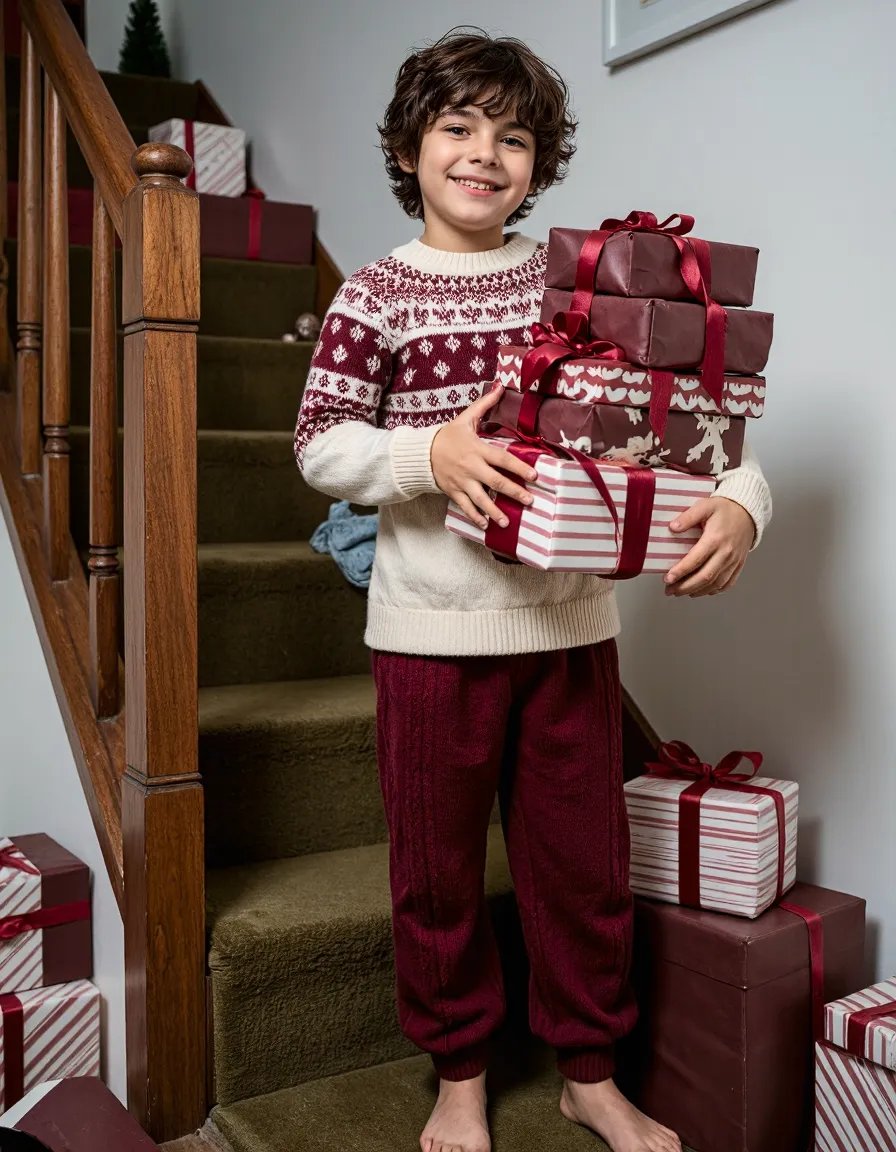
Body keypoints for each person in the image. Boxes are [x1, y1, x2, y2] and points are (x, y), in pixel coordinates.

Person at [294, 27, 771, 1152]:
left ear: (538, 162)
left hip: (568, 631)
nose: (482, 155)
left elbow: (685, 417)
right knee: (437, 871)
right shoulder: (374, 293)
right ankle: (457, 1075)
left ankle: (587, 1074)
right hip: (427, 638)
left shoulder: (576, 277)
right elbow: (319, 446)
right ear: (409, 146)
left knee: (581, 868)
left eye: (512, 138)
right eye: (457, 128)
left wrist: (746, 500)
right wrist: (429, 457)